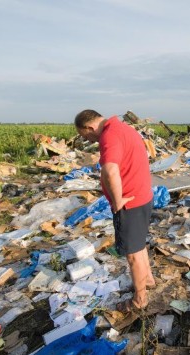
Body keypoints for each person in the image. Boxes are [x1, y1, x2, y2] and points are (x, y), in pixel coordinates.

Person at [74, 109, 155, 312]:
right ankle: (148, 280)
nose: (89, 140)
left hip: (130, 202)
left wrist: (118, 201)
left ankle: (140, 299)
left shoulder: (109, 136)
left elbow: (110, 169)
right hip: (143, 196)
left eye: (86, 136)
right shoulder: (123, 128)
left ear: (90, 127)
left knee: (132, 254)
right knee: (139, 244)